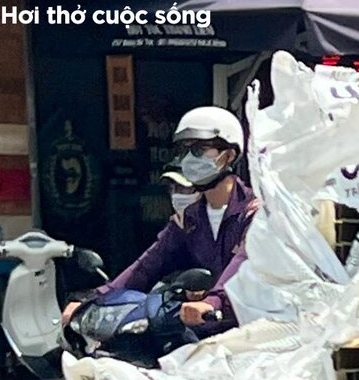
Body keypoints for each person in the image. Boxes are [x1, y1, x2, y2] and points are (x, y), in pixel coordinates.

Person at [65, 105, 255, 331]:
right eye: (185, 150)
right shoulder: (190, 219)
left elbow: (243, 266)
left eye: (199, 149)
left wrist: (212, 302)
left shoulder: (254, 214)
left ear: (229, 155)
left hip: (250, 331)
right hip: (203, 331)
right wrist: (94, 299)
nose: (189, 159)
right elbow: (148, 265)